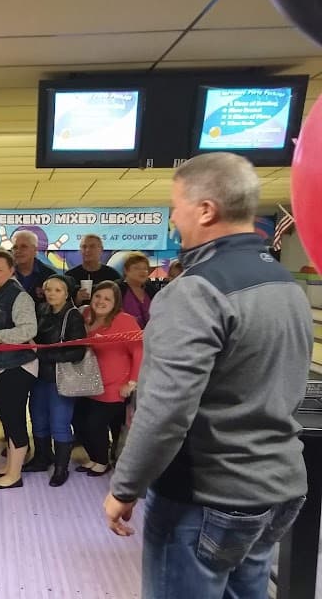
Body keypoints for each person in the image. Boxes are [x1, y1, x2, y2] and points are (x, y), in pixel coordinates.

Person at [104, 153, 314, 599]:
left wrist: (125, 488)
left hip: (205, 496)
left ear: (205, 210)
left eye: (176, 205)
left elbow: (165, 412)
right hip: (274, 487)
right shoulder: (283, 283)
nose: (173, 217)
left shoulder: (194, 291)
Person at [0, 249, 38, 490]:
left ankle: (14, 475)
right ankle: (10, 466)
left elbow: (28, 329)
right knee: (7, 418)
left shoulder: (19, 296)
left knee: (14, 421)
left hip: (14, 367)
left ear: (12, 270)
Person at [25, 274, 86, 486]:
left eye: (58, 290)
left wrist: (41, 354)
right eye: (49, 289)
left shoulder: (73, 316)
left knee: (59, 423)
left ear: (67, 293)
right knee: (38, 419)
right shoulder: (41, 310)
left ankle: (61, 468)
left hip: (60, 379)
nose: (52, 294)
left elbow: (77, 352)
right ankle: (42, 458)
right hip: (39, 376)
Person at [79, 281, 141, 476]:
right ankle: (97, 457)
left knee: (95, 424)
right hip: (90, 382)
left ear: (116, 303)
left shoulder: (125, 321)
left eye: (107, 299)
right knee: (83, 422)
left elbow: (139, 352)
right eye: (98, 296)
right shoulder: (86, 314)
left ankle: (102, 461)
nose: (101, 301)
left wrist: (131, 382)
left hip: (115, 386)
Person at [66, 234, 121, 306]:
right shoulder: (69, 276)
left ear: (101, 249)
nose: (87, 250)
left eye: (92, 246)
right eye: (84, 247)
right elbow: (61, 306)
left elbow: (118, 303)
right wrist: (77, 300)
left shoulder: (112, 275)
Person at [117, 252, 159, 329]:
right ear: (126, 270)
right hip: (125, 336)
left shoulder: (151, 290)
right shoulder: (117, 289)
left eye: (145, 268)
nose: (142, 271)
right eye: (137, 268)